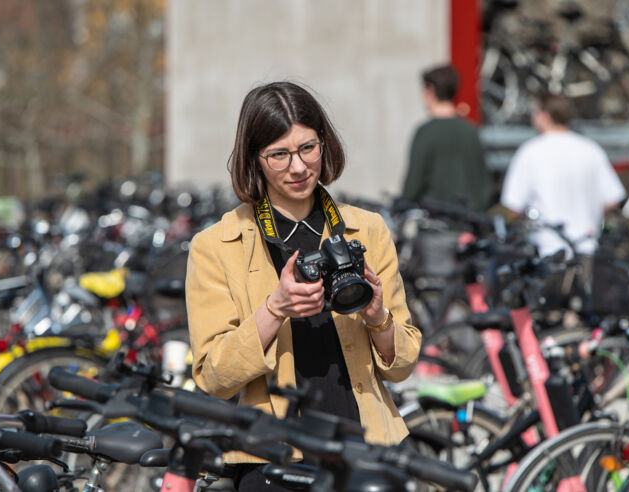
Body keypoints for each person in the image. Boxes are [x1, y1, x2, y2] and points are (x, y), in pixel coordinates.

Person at [185, 81, 421, 491]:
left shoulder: (367, 229)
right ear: (254, 159)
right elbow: (214, 378)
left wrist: (378, 317)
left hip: (367, 448)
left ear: (324, 144)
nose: (297, 167)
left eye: (308, 148)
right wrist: (275, 308)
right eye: (278, 155)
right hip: (273, 458)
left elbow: (403, 366)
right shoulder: (216, 246)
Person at [500, 93, 626, 257]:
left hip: (547, 250)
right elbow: (613, 198)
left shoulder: (530, 152)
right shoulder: (591, 149)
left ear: (544, 116)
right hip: (586, 247)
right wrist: (588, 209)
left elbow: (513, 205)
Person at [401, 64, 493, 211]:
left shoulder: (426, 132)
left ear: (430, 90)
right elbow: (484, 186)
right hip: (469, 227)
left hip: (435, 225)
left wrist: (400, 208)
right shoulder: (471, 131)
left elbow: (412, 186)